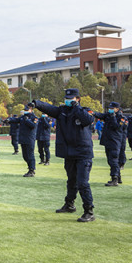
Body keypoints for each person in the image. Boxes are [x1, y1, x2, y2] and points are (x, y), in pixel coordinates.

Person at [31, 88, 96, 222]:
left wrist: (76, 107)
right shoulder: (62, 111)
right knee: (71, 181)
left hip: (83, 153)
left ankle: (89, 211)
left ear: (77, 99)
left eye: (71, 98)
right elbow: (49, 108)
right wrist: (36, 103)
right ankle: (69, 204)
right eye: (66, 98)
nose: (67, 100)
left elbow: (87, 120)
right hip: (69, 152)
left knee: (82, 183)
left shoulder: (84, 110)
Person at [93, 102, 123, 187]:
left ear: (117, 109)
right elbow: (100, 115)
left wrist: (113, 116)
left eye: (112, 108)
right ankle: (118, 177)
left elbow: (116, 126)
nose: (110, 110)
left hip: (114, 142)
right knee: (111, 161)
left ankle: (114, 179)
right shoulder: (108, 115)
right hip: (108, 141)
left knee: (113, 160)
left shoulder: (121, 118)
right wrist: (93, 113)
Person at [19, 105, 38, 177]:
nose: (26, 111)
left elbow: (33, 126)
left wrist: (27, 120)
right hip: (23, 139)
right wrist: (10, 120)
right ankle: (30, 166)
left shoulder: (34, 118)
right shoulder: (23, 117)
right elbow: (17, 120)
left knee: (30, 155)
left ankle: (32, 170)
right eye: (25, 110)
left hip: (30, 139)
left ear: (31, 110)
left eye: (27, 110)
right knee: (25, 156)